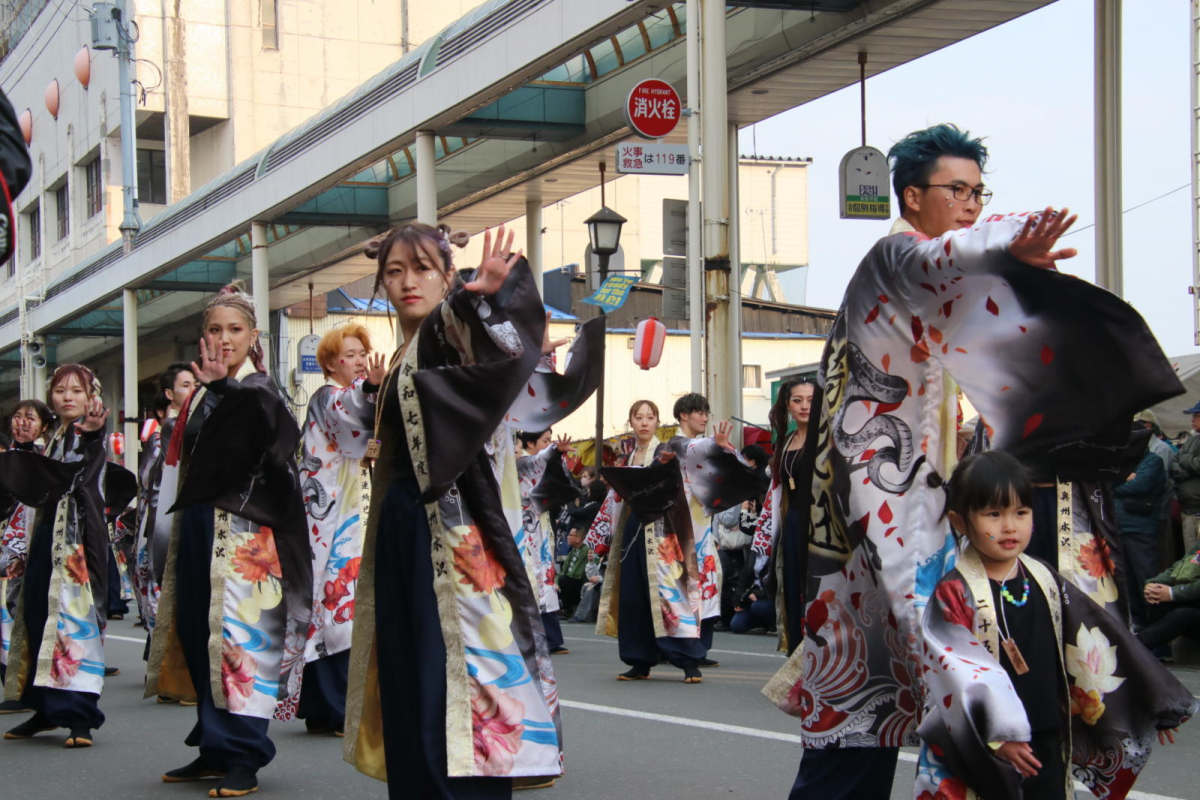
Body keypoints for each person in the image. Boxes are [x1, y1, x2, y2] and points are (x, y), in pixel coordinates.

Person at [761, 124, 1184, 800]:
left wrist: (1009, 267)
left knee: (864, 711)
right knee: (934, 682)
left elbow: (969, 288)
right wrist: (1004, 239)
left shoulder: (929, 295)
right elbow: (947, 257)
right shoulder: (893, 257)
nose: (970, 203)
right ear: (910, 195)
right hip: (885, 515)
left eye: (979, 193)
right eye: (956, 190)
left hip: (889, 517)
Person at [341, 223, 569, 799]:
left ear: (447, 275)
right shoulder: (398, 357)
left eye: (422, 268)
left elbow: (483, 340)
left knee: (451, 669)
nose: (407, 281)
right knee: (407, 665)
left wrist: (483, 297)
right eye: (394, 271)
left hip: (448, 526)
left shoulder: (448, 333)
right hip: (399, 521)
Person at [917, 451, 1194, 800]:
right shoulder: (954, 593)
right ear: (960, 522)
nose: (1009, 526)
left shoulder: (1046, 578)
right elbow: (950, 674)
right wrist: (997, 736)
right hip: (985, 748)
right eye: (993, 514)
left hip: (1047, 734)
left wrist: (1153, 704)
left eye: (1021, 512)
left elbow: (1100, 638)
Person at [145, 283, 311, 798]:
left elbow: (270, 438)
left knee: (243, 644)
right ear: (202, 337)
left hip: (247, 536)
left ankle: (245, 753)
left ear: (253, 337)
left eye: (234, 330)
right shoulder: (197, 393)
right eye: (214, 330)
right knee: (204, 635)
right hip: (200, 526)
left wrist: (221, 390)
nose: (223, 339)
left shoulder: (260, 388)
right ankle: (214, 746)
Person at [2, 366, 111, 748]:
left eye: (76, 391)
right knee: (36, 618)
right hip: (46, 541)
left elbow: (88, 471)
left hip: (77, 545)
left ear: (90, 397)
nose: (67, 397)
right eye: (60, 390)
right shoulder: (55, 438)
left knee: (74, 625)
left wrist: (94, 433)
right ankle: (44, 709)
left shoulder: (89, 434)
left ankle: (80, 716)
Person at [297, 324, 387, 737]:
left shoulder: (357, 397)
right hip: (332, 519)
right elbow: (351, 423)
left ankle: (323, 706)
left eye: (362, 353)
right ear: (331, 362)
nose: (357, 360)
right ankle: (332, 707)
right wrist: (370, 390)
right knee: (336, 611)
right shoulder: (326, 397)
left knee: (333, 611)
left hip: (350, 510)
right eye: (348, 355)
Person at [586, 400, 705, 682]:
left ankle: (688, 660)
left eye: (650, 417)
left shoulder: (666, 451)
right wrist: (612, 533)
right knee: (634, 595)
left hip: (662, 532)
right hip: (632, 529)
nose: (644, 422)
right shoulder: (627, 458)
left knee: (670, 594)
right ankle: (639, 660)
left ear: (657, 422)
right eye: (638, 417)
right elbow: (616, 500)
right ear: (631, 422)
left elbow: (677, 486)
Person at [750, 378, 815, 656]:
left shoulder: (826, 438)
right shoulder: (785, 440)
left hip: (820, 524)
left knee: (815, 588)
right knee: (791, 585)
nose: (804, 406)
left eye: (811, 400)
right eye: (798, 400)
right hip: (791, 522)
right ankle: (797, 652)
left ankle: (819, 653)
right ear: (787, 405)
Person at [0, 398, 54, 714]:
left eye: (30, 418)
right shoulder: (9, 458)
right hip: (10, 542)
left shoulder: (44, 460)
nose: (21, 423)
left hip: (31, 543)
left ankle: (26, 684)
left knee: (25, 611)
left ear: (44, 426)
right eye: (17, 417)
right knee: (13, 609)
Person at [671, 393, 724, 667]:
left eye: (706, 412)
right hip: (680, 527)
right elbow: (695, 449)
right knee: (684, 585)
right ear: (683, 415)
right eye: (698, 413)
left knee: (709, 584)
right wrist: (717, 445)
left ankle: (700, 648)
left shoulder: (702, 446)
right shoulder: (675, 444)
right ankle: (685, 648)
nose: (704, 417)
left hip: (703, 525)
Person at [515, 429, 570, 655]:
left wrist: (557, 453)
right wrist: (555, 450)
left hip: (540, 527)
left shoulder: (531, 463)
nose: (515, 450)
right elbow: (541, 458)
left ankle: (551, 638)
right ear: (530, 443)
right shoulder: (523, 463)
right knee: (530, 580)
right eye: (545, 441)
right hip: (521, 529)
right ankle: (534, 638)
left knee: (545, 581)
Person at [1114, 423, 1169, 627]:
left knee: (1148, 580)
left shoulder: (1152, 460)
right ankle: (1138, 624)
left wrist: (1118, 481)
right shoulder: (1121, 463)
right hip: (1120, 528)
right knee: (1127, 582)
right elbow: (1106, 481)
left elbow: (1140, 485)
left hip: (1141, 529)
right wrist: (1122, 479)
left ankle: (1158, 632)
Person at [1170, 400, 1200, 557]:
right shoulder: (1193, 440)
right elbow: (1174, 463)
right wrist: (1190, 464)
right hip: (1188, 510)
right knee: (1190, 559)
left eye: (1196, 415)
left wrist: (1187, 460)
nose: (1192, 419)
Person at [557, 530, 590, 617]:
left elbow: (576, 573)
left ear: (578, 538)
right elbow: (563, 571)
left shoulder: (585, 550)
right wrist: (555, 582)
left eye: (570, 535)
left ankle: (568, 609)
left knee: (564, 580)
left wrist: (560, 581)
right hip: (571, 580)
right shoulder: (572, 551)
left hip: (581, 583)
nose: (567, 537)